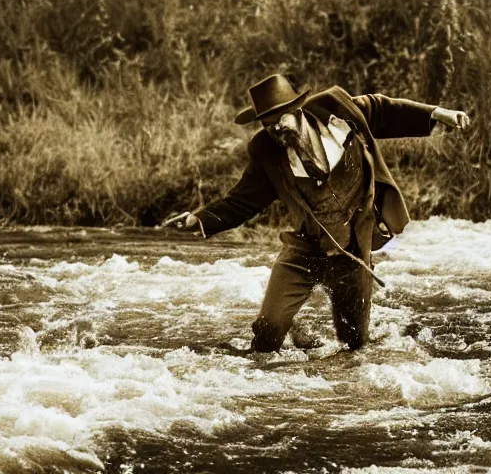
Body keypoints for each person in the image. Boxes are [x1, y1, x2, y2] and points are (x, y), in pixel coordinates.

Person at [164, 74, 470, 353]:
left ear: (298, 109)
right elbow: (242, 200)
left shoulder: (337, 109)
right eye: (268, 123)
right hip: (303, 251)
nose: (276, 128)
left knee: (355, 345)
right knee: (268, 333)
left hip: (353, 249)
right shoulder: (266, 152)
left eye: (280, 118)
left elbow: (383, 110)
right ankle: (286, 337)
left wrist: (434, 113)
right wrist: (199, 218)